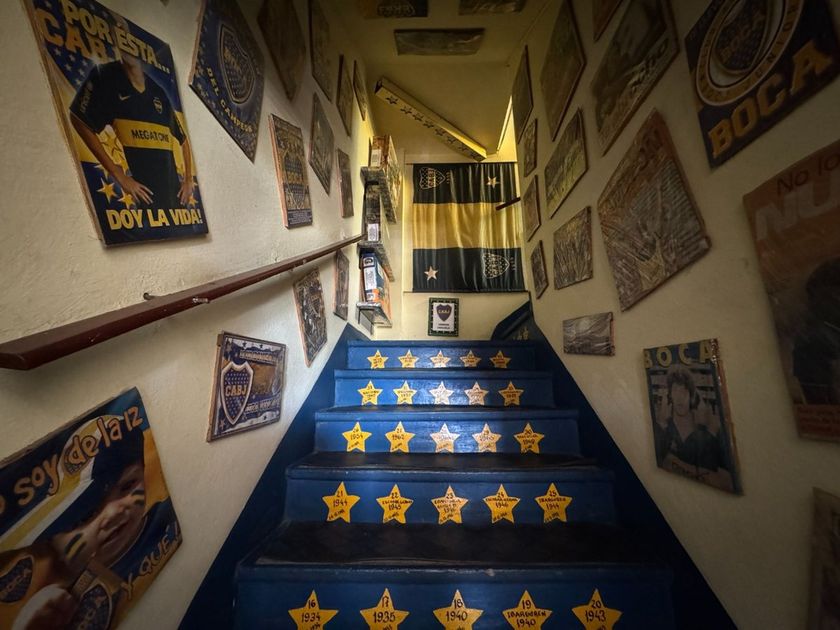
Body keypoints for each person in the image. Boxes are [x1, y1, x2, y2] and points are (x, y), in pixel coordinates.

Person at [2, 423, 179, 630]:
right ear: (50, 546)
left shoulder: (164, 518)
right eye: (86, 516)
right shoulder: (52, 605)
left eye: (127, 486)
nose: (112, 514)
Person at [69, 14, 194, 210]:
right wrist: (118, 175)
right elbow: (79, 120)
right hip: (146, 199)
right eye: (119, 37)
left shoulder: (158, 91)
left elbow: (183, 140)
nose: (126, 45)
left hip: (174, 198)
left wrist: (188, 180)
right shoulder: (105, 77)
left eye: (128, 38)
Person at [653, 364, 728, 481]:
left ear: (692, 396)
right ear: (669, 396)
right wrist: (661, 423)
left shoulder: (708, 430)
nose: (680, 397)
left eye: (684, 391)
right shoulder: (665, 429)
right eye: (675, 391)